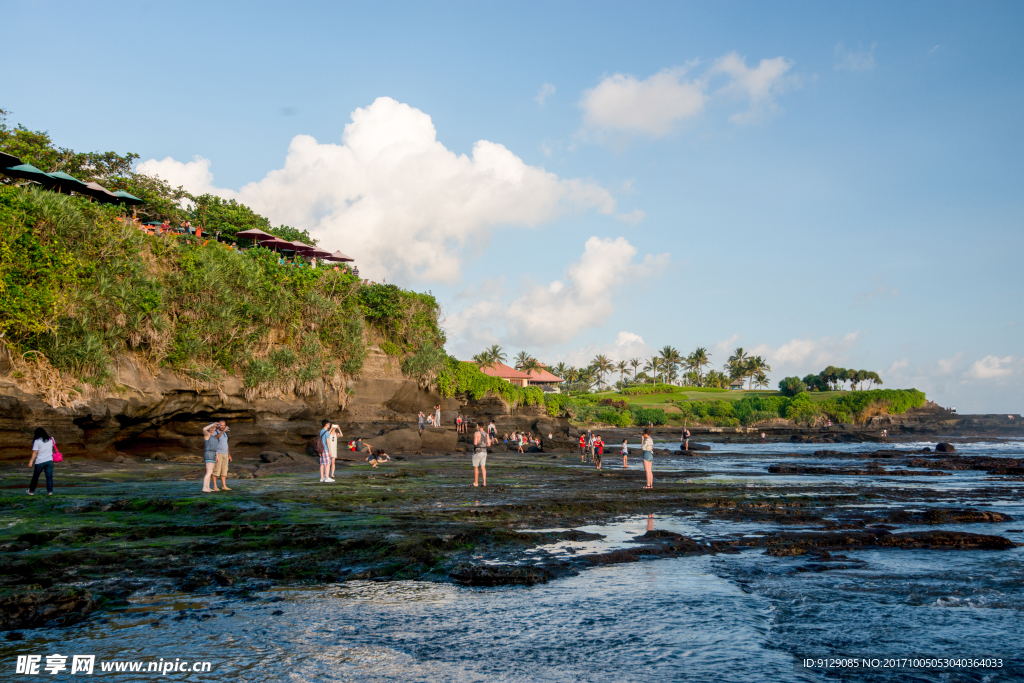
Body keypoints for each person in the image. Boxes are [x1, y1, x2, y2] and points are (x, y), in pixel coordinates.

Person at [27, 427, 57, 496]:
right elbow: (51, 447)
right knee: (49, 477)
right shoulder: (51, 439)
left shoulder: (37, 441)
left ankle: (31, 491)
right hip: (49, 461)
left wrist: (31, 461)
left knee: (36, 477)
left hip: (40, 461)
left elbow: (35, 452)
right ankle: (50, 492)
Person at [202, 421, 229, 492]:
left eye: (214, 427)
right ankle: (204, 488)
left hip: (213, 454)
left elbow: (215, 447)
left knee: (210, 472)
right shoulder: (207, 434)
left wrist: (216, 455)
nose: (212, 429)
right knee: (208, 472)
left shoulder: (214, 436)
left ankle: (208, 487)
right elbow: (204, 429)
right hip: (209, 453)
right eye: (211, 428)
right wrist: (213, 424)